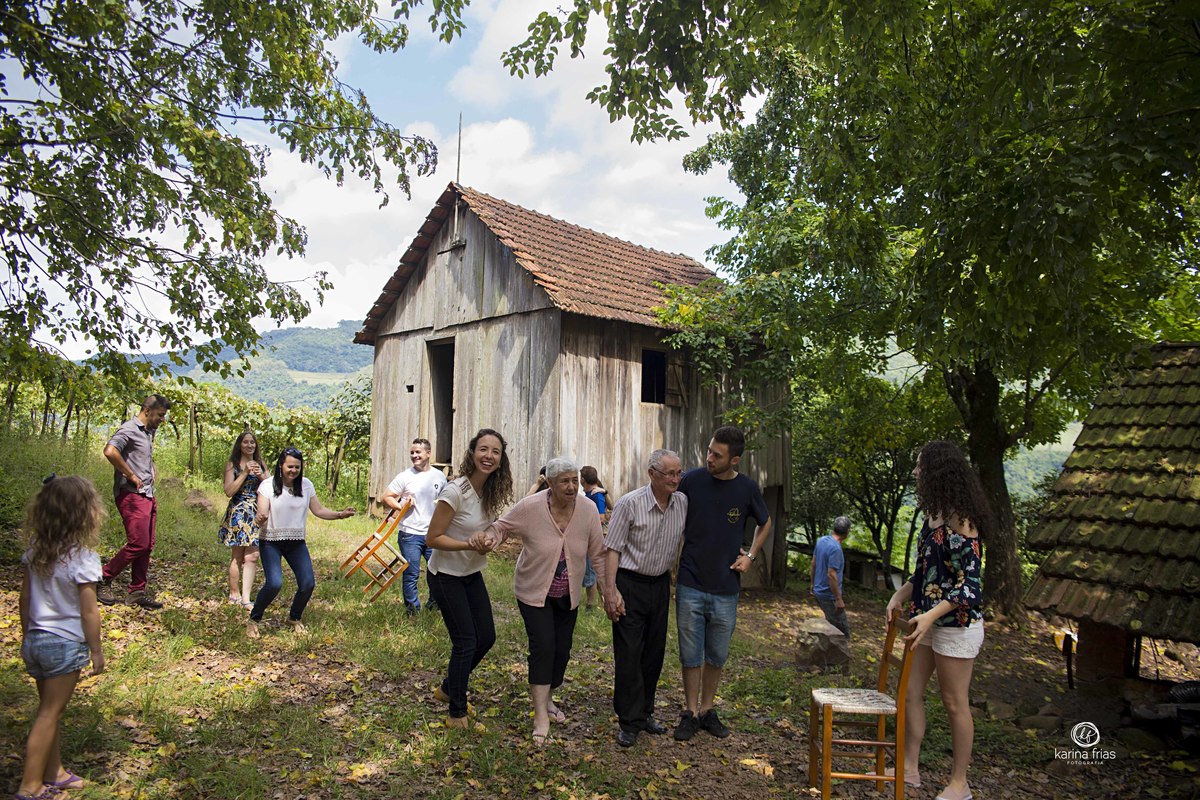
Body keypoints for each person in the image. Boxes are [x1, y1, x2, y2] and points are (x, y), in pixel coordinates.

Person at [473, 457, 607, 745]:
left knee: (562, 652)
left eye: (574, 480)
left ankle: (548, 697)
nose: (572, 487)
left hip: (568, 594)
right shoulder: (531, 507)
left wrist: (609, 591)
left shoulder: (587, 510)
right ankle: (540, 715)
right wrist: (488, 540)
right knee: (544, 647)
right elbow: (501, 527)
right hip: (534, 592)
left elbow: (598, 553)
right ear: (550, 483)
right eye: (564, 482)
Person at [885, 441, 986, 800]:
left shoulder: (963, 519)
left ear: (938, 472)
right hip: (925, 621)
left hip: (956, 625)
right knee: (910, 693)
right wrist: (899, 597)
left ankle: (960, 783)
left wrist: (930, 614)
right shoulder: (932, 516)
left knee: (954, 701)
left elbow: (969, 588)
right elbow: (925, 575)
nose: (915, 472)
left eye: (920, 466)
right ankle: (909, 769)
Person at [673, 425, 772, 741]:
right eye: (709, 450)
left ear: (735, 460)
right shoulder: (691, 480)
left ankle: (706, 710)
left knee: (716, 653)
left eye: (717, 455)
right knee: (690, 653)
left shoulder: (747, 489)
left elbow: (766, 522)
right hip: (689, 581)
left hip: (726, 587)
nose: (709, 457)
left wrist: (751, 556)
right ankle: (689, 712)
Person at [17, 475, 105, 799]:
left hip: (36, 640)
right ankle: (29, 786)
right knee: (49, 713)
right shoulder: (83, 559)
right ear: (84, 514)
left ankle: (54, 772)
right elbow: (89, 613)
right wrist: (96, 650)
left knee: (48, 710)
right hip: (65, 643)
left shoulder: (35, 553)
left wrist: (28, 634)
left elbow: (24, 599)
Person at [425, 428, 513, 729]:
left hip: (470, 572)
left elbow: (488, 530)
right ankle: (456, 713)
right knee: (465, 642)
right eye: (483, 449)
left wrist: (488, 540)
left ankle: (449, 688)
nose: (488, 456)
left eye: (495, 452)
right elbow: (432, 539)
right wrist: (468, 544)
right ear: (472, 453)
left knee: (486, 637)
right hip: (445, 575)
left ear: (501, 461)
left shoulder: (490, 492)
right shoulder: (454, 491)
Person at [602, 449, 687, 747]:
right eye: (670, 474)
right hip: (630, 583)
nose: (676, 479)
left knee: (654, 652)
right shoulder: (630, 503)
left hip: (660, 585)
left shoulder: (682, 503)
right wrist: (610, 591)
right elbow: (611, 549)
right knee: (629, 653)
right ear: (651, 474)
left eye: (679, 473)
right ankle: (629, 720)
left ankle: (645, 711)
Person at [247, 447, 355, 638]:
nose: (293, 471)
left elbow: (319, 510)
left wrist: (340, 515)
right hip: (271, 540)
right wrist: (261, 518)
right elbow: (261, 512)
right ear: (281, 466)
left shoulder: (306, 485)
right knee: (274, 583)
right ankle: (254, 619)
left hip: (296, 541)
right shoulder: (267, 485)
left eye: (297, 467)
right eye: (290, 466)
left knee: (307, 583)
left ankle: (294, 618)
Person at [97, 393, 171, 609]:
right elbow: (110, 451)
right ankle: (103, 577)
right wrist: (130, 474)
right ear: (147, 411)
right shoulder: (129, 429)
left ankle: (137, 591)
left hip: (147, 493)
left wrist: (150, 469)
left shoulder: (149, 431)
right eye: (160, 415)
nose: (162, 420)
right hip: (131, 494)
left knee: (147, 545)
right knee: (138, 542)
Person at [380, 437, 446, 614]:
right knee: (411, 573)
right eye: (412, 453)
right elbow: (386, 496)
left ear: (428, 453)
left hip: (434, 534)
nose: (414, 456)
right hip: (410, 534)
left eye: (418, 452)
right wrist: (401, 506)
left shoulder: (439, 476)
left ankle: (434, 605)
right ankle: (412, 610)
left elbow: (446, 501)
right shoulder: (405, 476)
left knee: (437, 573)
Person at [218, 430, 266, 608]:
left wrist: (260, 474)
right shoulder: (233, 464)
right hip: (238, 512)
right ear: (240, 444)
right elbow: (229, 491)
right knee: (237, 555)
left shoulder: (261, 463)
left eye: (252, 442)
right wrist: (245, 473)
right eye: (245, 442)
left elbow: (270, 486)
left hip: (256, 512)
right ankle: (234, 593)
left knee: (253, 555)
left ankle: (246, 596)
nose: (249, 445)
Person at [811, 515, 851, 637]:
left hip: (818, 591)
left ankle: (827, 651)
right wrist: (838, 599)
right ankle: (837, 654)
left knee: (831, 625)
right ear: (847, 532)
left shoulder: (821, 541)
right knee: (842, 633)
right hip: (829, 595)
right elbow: (832, 574)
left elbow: (813, 563)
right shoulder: (836, 549)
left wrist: (812, 584)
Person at [579, 465, 609, 611]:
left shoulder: (597, 495)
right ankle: (604, 602)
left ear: (582, 480)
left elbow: (601, 518)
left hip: (594, 539)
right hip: (586, 537)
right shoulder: (588, 494)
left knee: (591, 570)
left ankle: (591, 605)